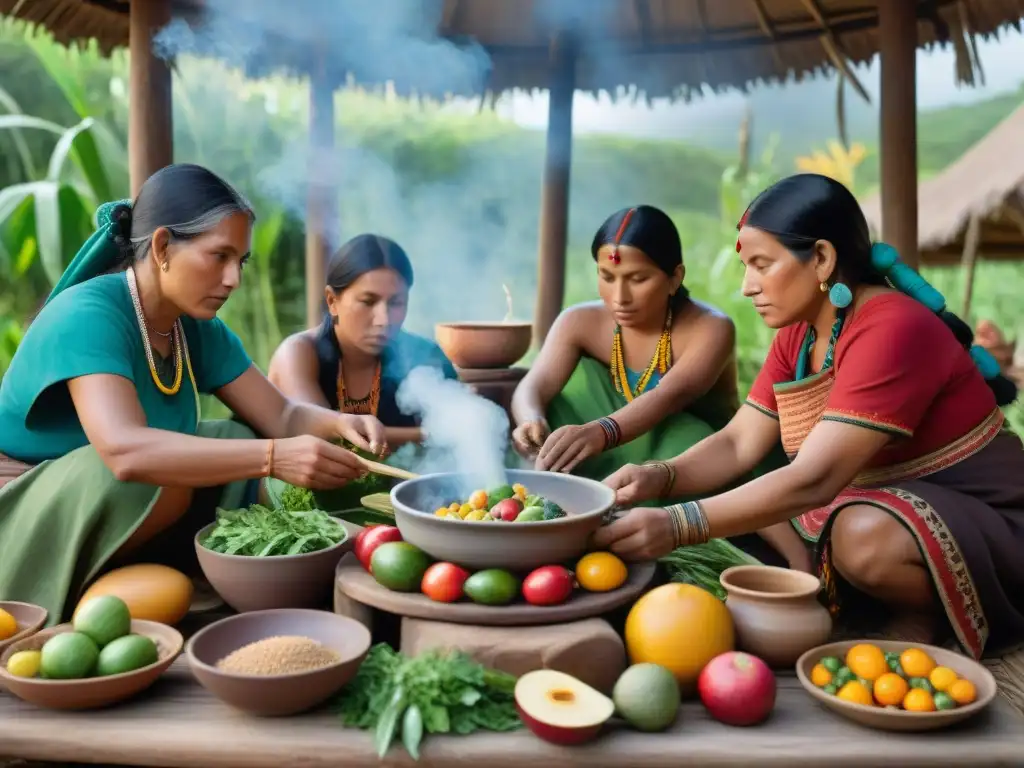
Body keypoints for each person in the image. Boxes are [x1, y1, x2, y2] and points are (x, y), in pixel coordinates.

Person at [594, 173, 1024, 659]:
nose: (747, 286)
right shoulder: (798, 336)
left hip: (986, 526)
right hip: (860, 505)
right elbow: (740, 443)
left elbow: (815, 479)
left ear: (821, 258)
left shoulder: (892, 327)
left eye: (761, 264)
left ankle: (921, 615)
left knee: (860, 537)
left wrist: (678, 524)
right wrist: (659, 477)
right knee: (754, 532)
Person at [0, 164, 385, 623]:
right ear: (162, 246)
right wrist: (273, 458)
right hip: (27, 505)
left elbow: (280, 417)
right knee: (149, 472)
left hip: (135, 492)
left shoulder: (192, 327)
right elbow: (125, 452)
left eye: (240, 262)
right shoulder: (87, 314)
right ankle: (90, 592)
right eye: (218, 256)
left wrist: (339, 422)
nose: (232, 280)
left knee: (236, 437)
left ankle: (179, 576)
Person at [510, 205, 764, 486]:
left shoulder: (710, 329)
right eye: (607, 277)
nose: (620, 297)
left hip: (687, 459)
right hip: (603, 449)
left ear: (675, 278)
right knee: (558, 408)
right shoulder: (579, 322)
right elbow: (534, 385)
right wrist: (530, 420)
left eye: (637, 279)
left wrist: (600, 432)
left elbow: (668, 396)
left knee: (689, 435)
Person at [268, 233, 458, 450]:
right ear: (332, 301)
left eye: (395, 303)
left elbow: (460, 435)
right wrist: (427, 434)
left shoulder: (424, 356)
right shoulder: (298, 353)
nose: (383, 320)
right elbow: (320, 437)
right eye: (368, 301)